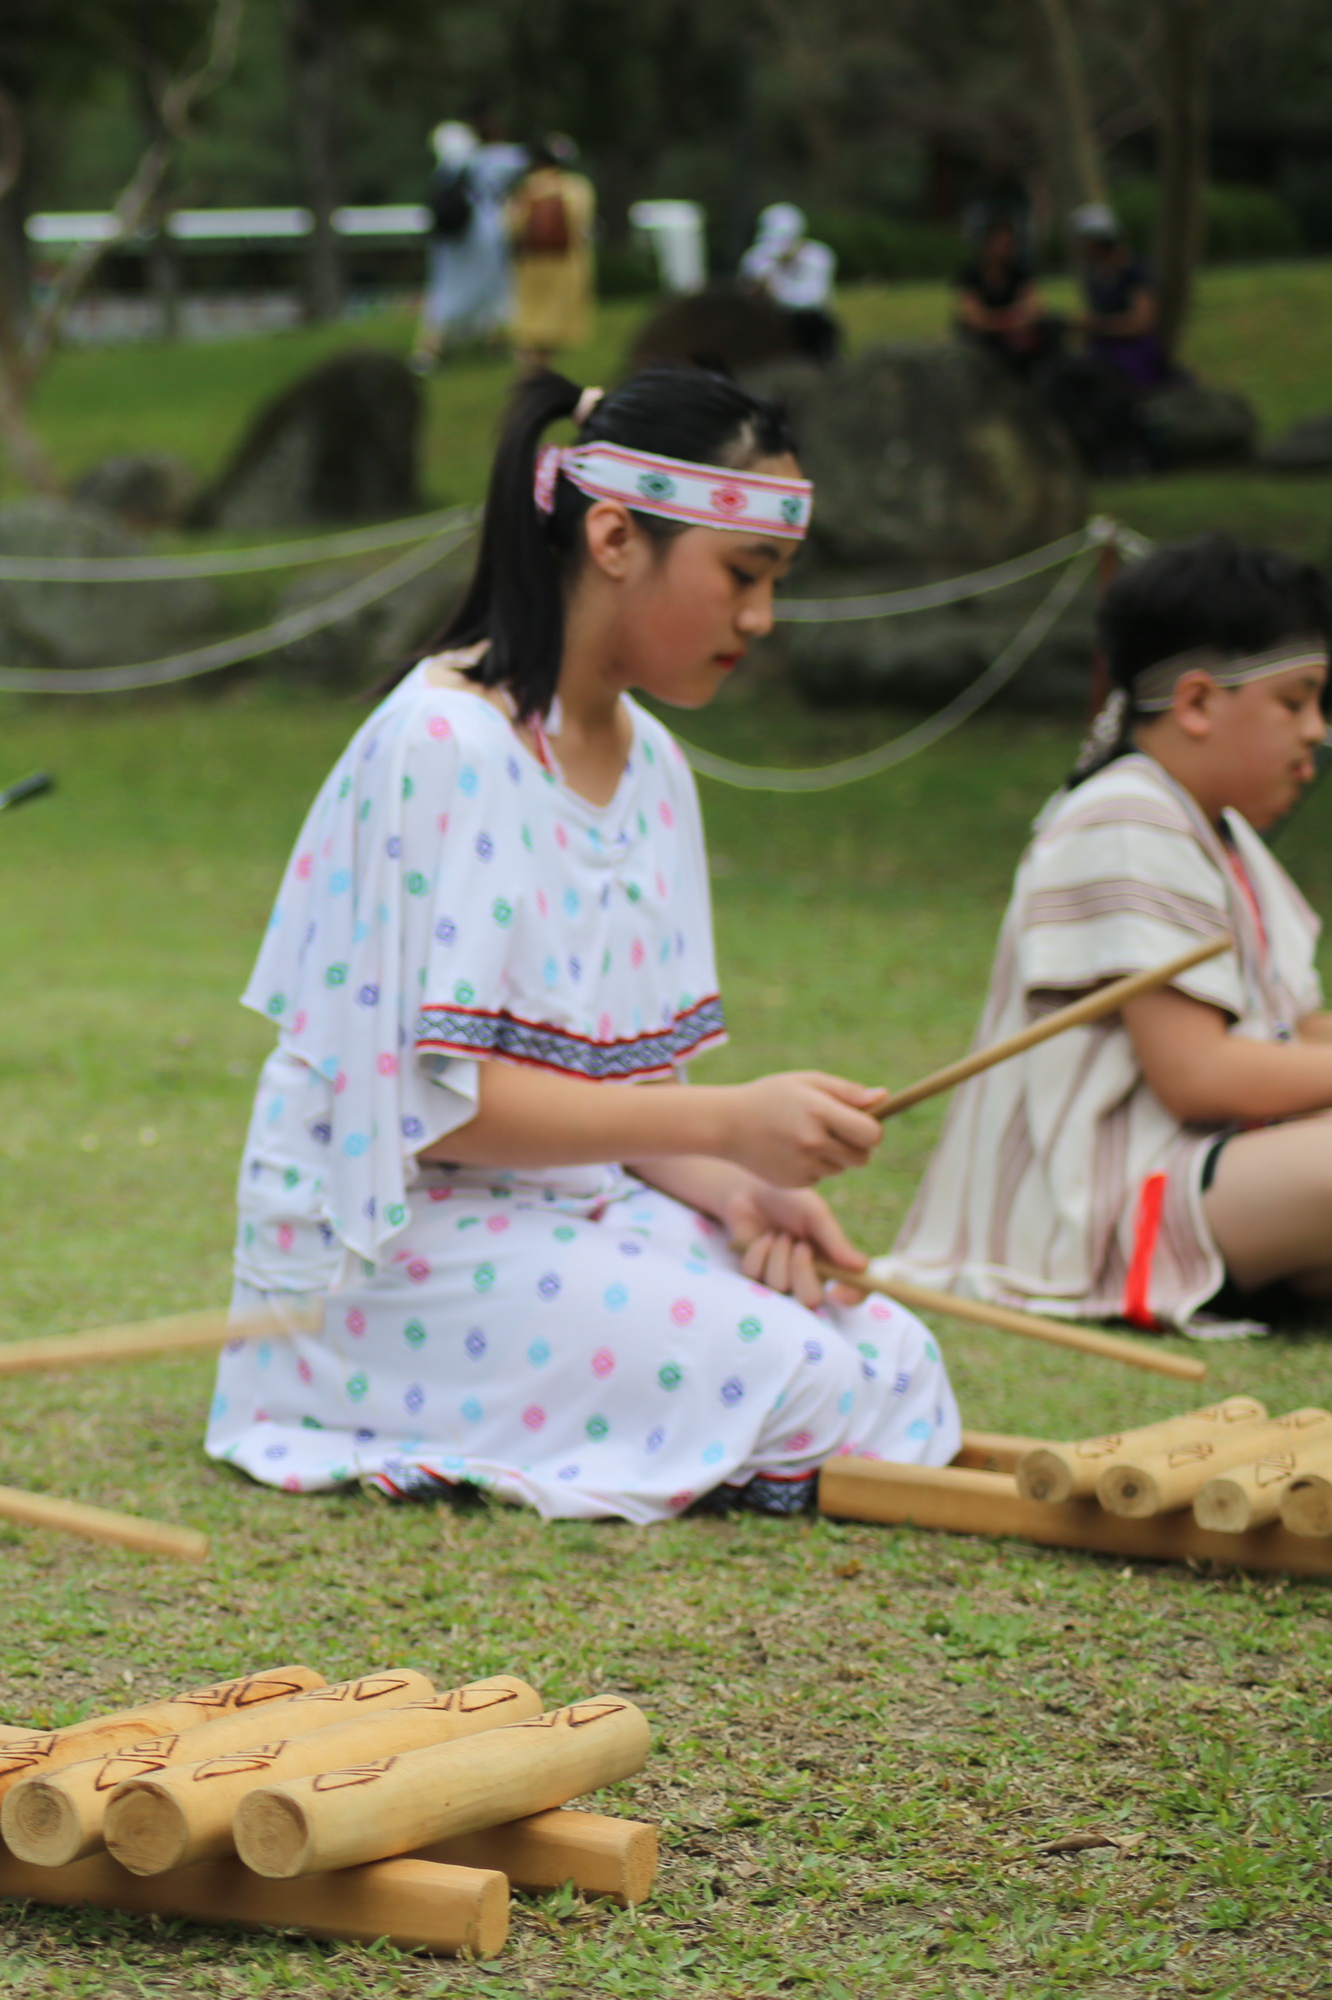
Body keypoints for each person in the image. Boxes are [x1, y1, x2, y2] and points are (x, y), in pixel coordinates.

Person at [207, 367, 963, 1523]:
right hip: (394, 1259)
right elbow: (440, 1107)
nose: (760, 619)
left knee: (890, 1351)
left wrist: (739, 1189)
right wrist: (730, 1123)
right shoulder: (445, 741)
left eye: (772, 582)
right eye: (742, 576)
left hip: (569, 1216)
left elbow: (633, 1093)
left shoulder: (654, 765)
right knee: (797, 1372)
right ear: (614, 535)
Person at [887, 535, 1332, 1346]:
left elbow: (1284, 1035)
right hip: (1112, 1194)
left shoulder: (1212, 827)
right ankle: (1331, 1289)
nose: (1318, 731)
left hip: (1216, 1158)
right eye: (1296, 701)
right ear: (1198, 703)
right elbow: (1199, 1077)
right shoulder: (1126, 820)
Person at [413, 119, 530, 374]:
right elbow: (521, 159)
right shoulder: (484, 163)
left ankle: (429, 351)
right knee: (494, 292)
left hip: (453, 244)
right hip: (487, 237)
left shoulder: (444, 171)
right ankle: (494, 343)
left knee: (445, 293)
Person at [505, 135, 598, 376]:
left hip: (532, 263)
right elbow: (583, 224)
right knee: (556, 316)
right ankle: (544, 364)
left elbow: (511, 224)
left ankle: (530, 363)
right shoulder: (576, 187)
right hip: (566, 262)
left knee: (531, 315)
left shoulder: (527, 189)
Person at [1066, 202, 1173, 393]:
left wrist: (1097, 325)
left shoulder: (1135, 272)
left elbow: (1142, 322)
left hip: (1133, 350)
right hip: (1101, 348)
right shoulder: (1095, 276)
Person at [950, 205, 1054, 374]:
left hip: (1012, 335)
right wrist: (1011, 321)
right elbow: (973, 318)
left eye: (1007, 242)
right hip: (989, 338)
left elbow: (1036, 308)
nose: (1003, 247)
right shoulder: (970, 275)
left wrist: (1002, 320)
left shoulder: (1018, 272)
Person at [737, 203, 840, 364]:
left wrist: (771, 290)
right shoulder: (756, 257)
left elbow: (810, 299)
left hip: (809, 325)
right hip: (769, 324)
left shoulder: (818, 257)